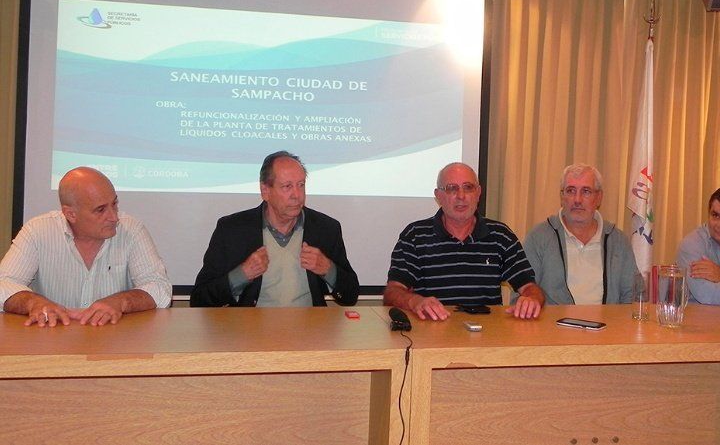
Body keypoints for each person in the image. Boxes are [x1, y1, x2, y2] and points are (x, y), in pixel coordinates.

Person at [0, 167, 172, 327]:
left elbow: (159, 287)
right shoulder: (38, 231)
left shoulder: (131, 230)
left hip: (114, 339)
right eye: (101, 210)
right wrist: (34, 303)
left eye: (114, 204)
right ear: (71, 214)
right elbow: (4, 284)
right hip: (52, 336)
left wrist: (121, 302)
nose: (114, 217)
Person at [191, 151, 359, 307]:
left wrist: (328, 269)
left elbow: (350, 295)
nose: (297, 195)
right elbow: (199, 299)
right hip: (250, 327)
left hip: (309, 326)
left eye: (301, 185)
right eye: (287, 186)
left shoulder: (326, 228)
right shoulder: (232, 230)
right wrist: (241, 275)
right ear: (265, 191)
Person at [383, 162, 544, 321]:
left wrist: (532, 299)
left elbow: (530, 287)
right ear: (438, 196)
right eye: (452, 188)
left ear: (478, 193)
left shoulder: (501, 235)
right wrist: (415, 301)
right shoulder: (415, 236)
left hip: (488, 333)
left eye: (468, 187)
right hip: (432, 331)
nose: (461, 196)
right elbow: (393, 292)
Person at [523, 163, 638, 305]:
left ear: (599, 198)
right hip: (554, 320)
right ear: (562, 196)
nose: (577, 200)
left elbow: (632, 297)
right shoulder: (538, 238)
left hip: (608, 320)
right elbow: (523, 294)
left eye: (586, 191)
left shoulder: (618, 242)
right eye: (571, 191)